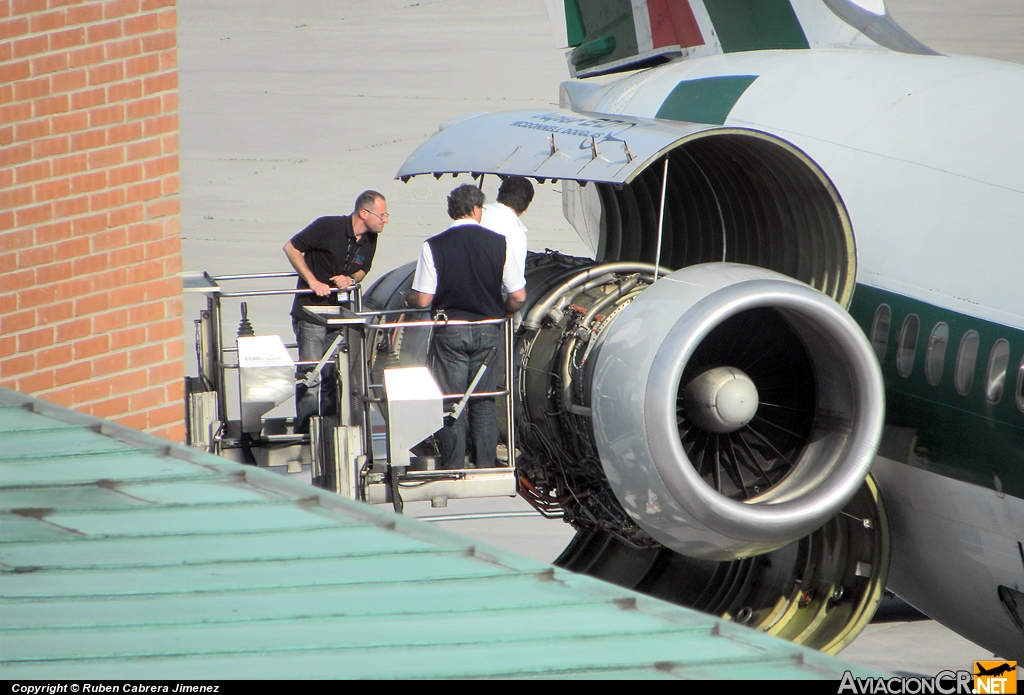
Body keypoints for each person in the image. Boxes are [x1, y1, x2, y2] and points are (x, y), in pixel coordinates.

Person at [405, 185, 526, 469]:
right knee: (483, 402)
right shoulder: (500, 243)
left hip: (452, 331)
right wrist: (504, 313)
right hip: (487, 330)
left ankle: (454, 465)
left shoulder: (433, 245)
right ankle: (485, 463)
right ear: (475, 209)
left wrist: (406, 297)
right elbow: (518, 295)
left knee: (451, 402)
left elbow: (423, 298)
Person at [284, 190, 387, 432]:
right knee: (311, 375)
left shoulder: (371, 238)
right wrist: (312, 281)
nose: (385, 220)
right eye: (382, 215)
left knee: (333, 377)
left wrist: (350, 279)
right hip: (311, 313)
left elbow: (363, 270)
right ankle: (307, 433)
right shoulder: (327, 226)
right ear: (364, 213)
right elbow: (291, 248)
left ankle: (329, 432)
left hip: (339, 315)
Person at [480, 176, 534, 274]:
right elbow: (514, 281)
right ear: (526, 207)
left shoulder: (475, 213)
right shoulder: (516, 234)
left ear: (500, 193)